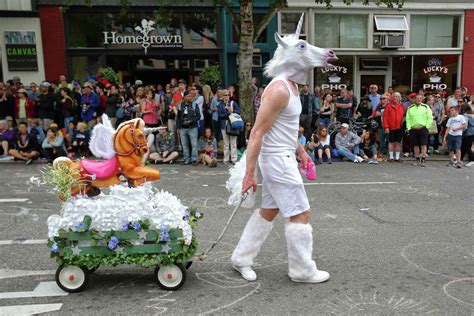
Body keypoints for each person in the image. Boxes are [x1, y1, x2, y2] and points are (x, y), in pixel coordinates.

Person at [232, 15, 333, 284]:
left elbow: (283, 130)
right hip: (277, 161)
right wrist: (248, 175)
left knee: (269, 211)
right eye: (300, 47)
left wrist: (300, 150)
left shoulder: (291, 87)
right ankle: (302, 271)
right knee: (300, 213)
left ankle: (241, 258)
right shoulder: (279, 89)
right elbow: (257, 132)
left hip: (282, 156)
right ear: (288, 54)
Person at [406, 94, 433, 167]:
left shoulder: (426, 107)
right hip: (413, 129)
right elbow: (408, 119)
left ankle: (423, 160)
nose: (418, 99)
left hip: (423, 128)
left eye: (420, 98)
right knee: (415, 145)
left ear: (422, 99)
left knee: (423, 144)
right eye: (417, 98)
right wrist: (408, 128)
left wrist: (427, 126)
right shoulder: (410, 108)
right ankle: (417, 159)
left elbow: (430, 117)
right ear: (414, 99)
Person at [175, 91, 200, 165]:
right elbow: (178, 117)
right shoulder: (180, 105)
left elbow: (198, 116)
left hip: (193, 127)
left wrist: (191, 121)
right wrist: (178, 127)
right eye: (188, 96)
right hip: (183, 128)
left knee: (194, 144)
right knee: (184, 144)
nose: (190, 97)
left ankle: (194, 159)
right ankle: (186, 159)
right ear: (184, 97)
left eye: (191, 96)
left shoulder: (195, 105)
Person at [218, 89, 241, 165]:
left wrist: (233, 111)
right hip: (224, 126)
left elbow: (238, 112)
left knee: (233, 143)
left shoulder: (233, 103)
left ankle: (234, 159)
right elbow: (220, 116)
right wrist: (228, 113)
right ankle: (226, 159)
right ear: (222, 96)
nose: (227, 96)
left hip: (233, 125)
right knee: (226, 143)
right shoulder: (220, 105)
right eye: (225, 95)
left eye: (228, 94)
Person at [383, 92, 404, 162]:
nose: (395, 98)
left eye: (397, 97)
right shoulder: (388, 106)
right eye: (394, 96)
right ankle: (391, 157)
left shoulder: (403, 106)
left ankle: (397, 157)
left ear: (400, 98)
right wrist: (386, 127)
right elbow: (385, 118)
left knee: (398, 142)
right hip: (390, 127)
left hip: (400, 127)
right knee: (391, 142)